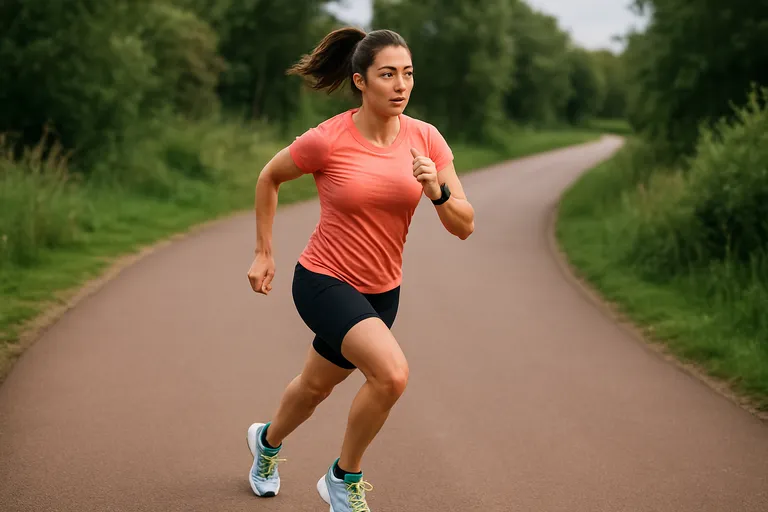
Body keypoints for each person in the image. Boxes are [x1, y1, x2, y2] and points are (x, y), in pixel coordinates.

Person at [245, 26, 475, 511]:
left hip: (382, 291)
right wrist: (265, 251)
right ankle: (342, 477)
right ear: (360, 81)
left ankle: (265, 444)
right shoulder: (328, 139)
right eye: (387, 75)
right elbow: (270, 176)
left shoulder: (426, 139)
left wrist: (438, 191)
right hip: (323, 280)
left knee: (313, 388)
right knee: (391, 376)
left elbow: (465, 225)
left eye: (408, 75)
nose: (401, 86)